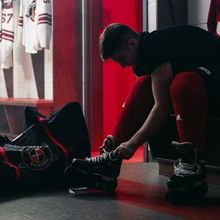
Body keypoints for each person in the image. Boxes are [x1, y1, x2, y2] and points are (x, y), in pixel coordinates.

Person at [65, 23, 220, 200]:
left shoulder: (153, 46)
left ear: (132, 43)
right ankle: (110, 159)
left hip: (214, 72)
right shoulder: (142, 59)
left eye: (121, 59)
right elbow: (151, 102)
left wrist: (132, 143)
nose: (123, 66)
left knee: (183, 84)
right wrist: (123, 146)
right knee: (143, 85)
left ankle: (192, 165)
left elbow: (161, 108)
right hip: (201, 82)